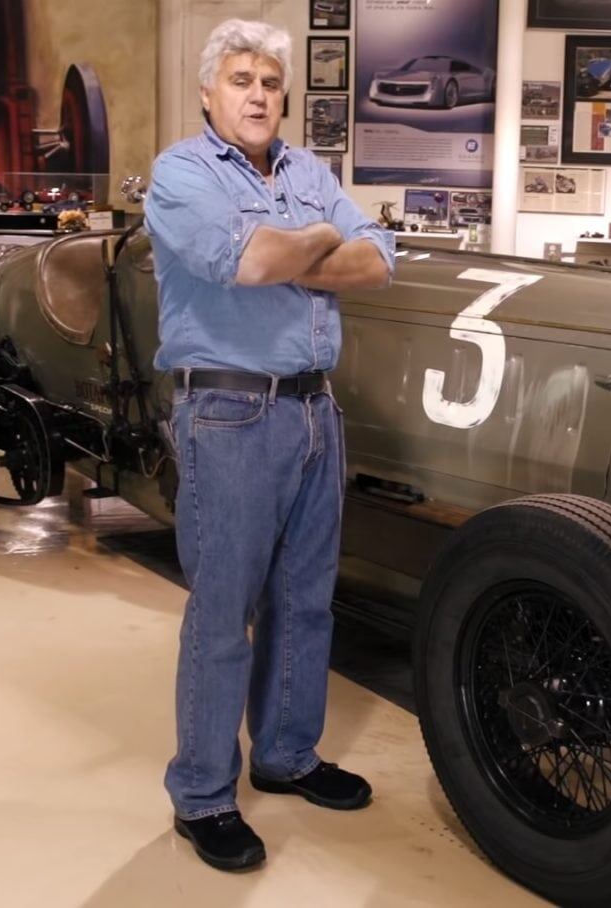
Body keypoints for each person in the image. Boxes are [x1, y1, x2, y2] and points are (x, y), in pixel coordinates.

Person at [142, 18, 394, 872]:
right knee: (224, 611)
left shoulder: (307, 170)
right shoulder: (181, 175)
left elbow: (380, 259)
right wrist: (317, 239)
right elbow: (250, 261)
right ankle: (204, 795)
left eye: (271, 83)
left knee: (306, 599)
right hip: (229, 414)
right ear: (209, 92)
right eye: (242, 79)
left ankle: (287, 756)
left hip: (315, 411)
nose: (258, 94)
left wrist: (301, 248)